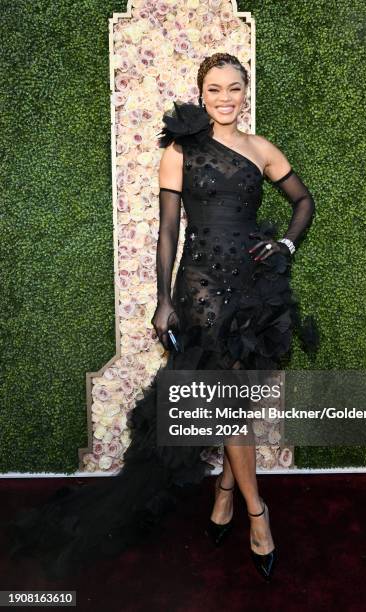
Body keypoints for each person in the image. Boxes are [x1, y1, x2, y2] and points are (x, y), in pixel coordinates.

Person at [3, 52, 319, 583]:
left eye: (234, 88)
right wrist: (162, 299)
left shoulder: (262, 150)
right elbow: (168, 230)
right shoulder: (181, 149)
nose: (225, 98)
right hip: (198, 287)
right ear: (202, 95)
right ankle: (257, 514)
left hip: (250, 287)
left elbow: (304, 201)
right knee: (230, 399)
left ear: (246, 90)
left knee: (231, 397)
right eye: (215, 89)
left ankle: (225, 498)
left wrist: (284, 243)